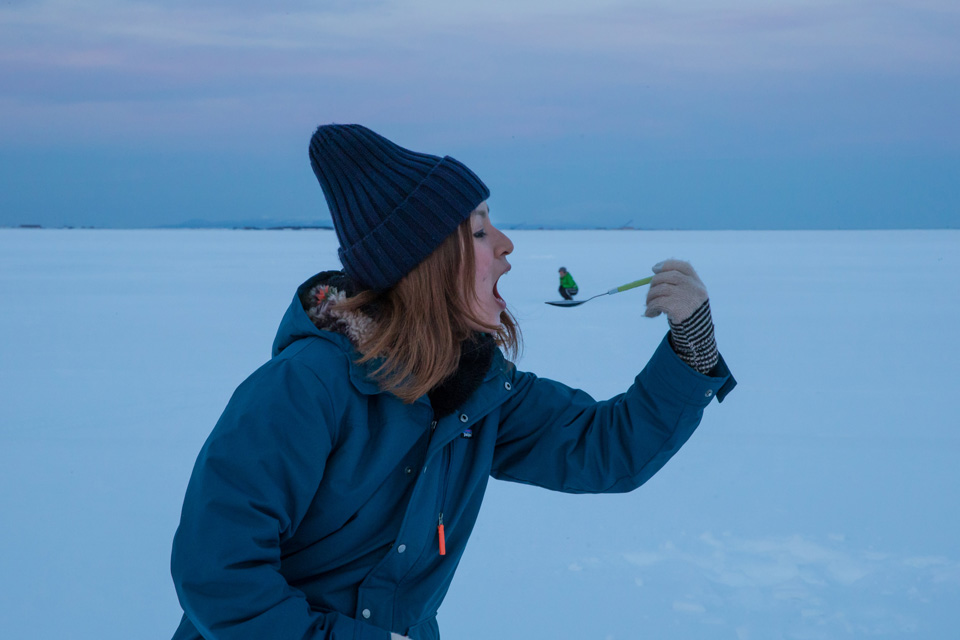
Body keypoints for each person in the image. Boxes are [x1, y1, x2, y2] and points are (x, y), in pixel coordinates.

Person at [169, 124, 736, 640]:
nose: (507, 246)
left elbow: (603, 450)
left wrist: (693, 346)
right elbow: (219, 571)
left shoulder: (478, 392)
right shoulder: (303, 388)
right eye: (481, 231)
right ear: (429, 261)